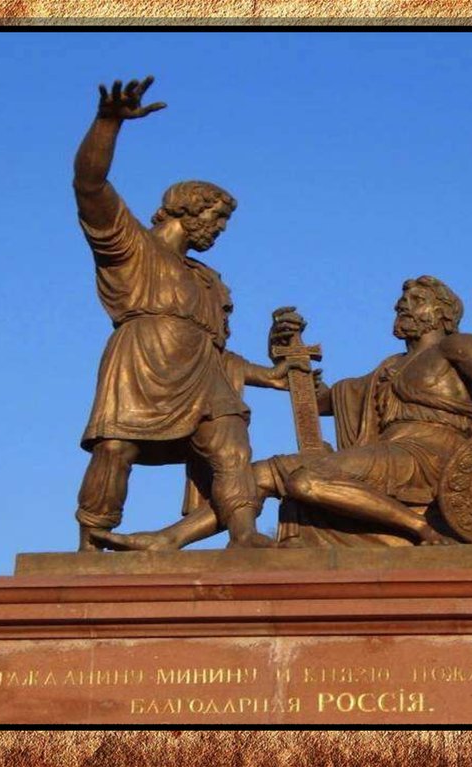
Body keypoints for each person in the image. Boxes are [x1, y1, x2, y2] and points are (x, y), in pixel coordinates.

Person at [93, 276, 472, 550]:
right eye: (401, 302)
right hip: (391, 453)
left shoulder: (458, 346)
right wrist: (287, 355)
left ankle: (419, 527)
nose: (403, 307)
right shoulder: (387, 369)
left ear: (443, 314)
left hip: (432, 454)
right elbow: (320, 401)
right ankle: (169, 539)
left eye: (416, 301)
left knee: (303, 481)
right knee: (259, 473)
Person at [71, 76, 296, 551]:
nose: (220, 230)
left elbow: (218, 353)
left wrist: (271, 375)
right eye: (217, 218)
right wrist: (108, 123)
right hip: (142, 360)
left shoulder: (209, 281)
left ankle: (244, 534)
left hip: (204, 375)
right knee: (116, 449)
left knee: (231, 443)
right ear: (188, 209)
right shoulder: (131, 247)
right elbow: (89, 185)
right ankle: (92, 540)